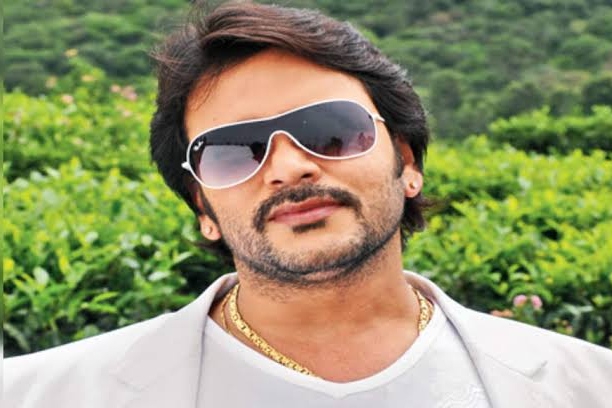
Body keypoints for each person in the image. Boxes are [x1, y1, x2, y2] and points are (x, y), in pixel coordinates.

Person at [4, 2, 612, 407]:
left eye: (330, 131)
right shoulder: (37, 395)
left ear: (407, 161)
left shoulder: (589, 386)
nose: (289, 167)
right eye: (232, 151)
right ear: (203, 208)